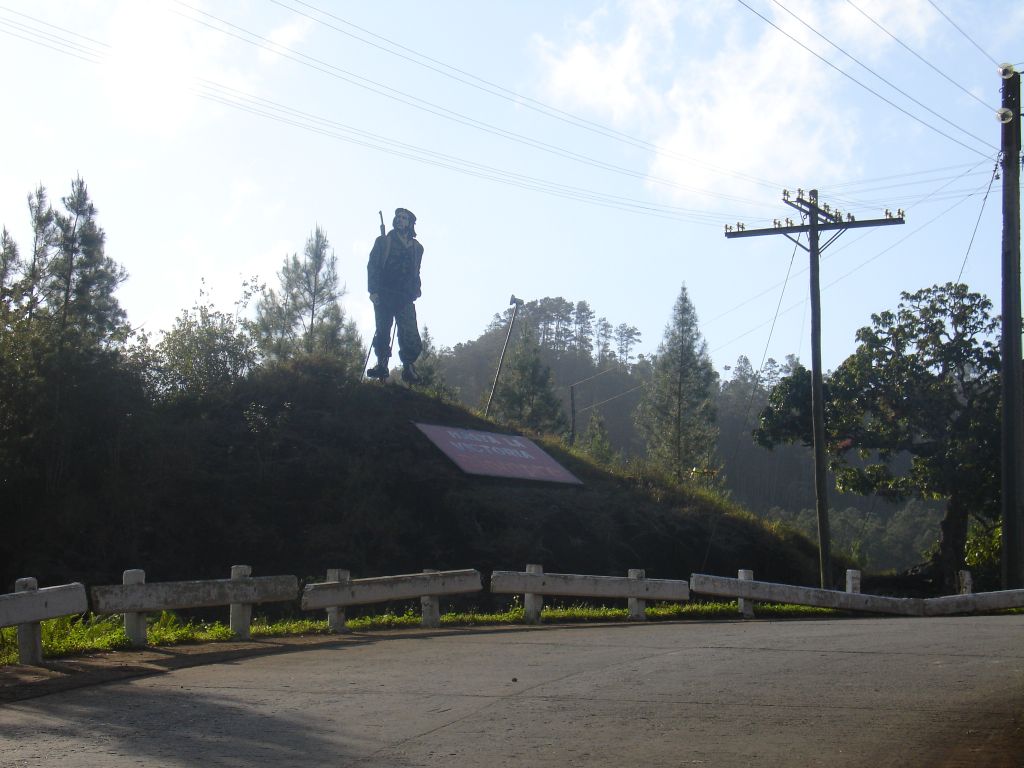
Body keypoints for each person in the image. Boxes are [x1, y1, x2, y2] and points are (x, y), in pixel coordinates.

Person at [366, 207, 424, 383]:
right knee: (383, 330)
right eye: (398, 217)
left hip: (404, 296)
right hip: (384, 294)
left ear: (410, 223)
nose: (400, 220)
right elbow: (373, 266)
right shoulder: (384, 241)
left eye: (404, 218)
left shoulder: (417, 248)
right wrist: (373, 291)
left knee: (410, 333)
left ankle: (408, 367)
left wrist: (416, 289)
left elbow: (416, 271)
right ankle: (382, 364)